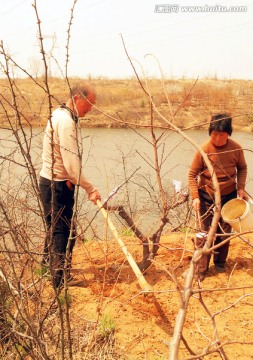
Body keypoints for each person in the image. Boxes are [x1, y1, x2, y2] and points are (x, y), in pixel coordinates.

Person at [39, 84, 101, 287]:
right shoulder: (65, 122)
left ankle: (47, 268)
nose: (90, 108)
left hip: (50, 181)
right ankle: (59, 279)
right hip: (57, 184)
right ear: (76, 99)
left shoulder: (57, 114)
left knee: (55, 227)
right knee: (63, 231)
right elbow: (71, 165)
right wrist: (89, 188)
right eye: (89, 103)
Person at [188, 113, 248, 281]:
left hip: (228, 195)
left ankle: (220, 262)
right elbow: (192, 175)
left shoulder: (236, 148)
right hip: (206, 195)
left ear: (228, 133)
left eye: (221, 134)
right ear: (210, 132)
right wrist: (195, 197)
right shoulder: (204, 150)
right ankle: (201, 269)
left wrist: (240, 189)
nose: (217, 138)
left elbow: (242, 168)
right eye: (214, 134)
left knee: (224, 231)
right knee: (203, 233)